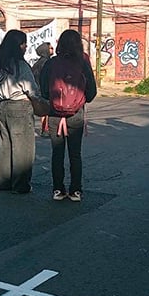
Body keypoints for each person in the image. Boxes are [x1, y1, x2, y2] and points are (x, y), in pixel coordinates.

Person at [39, 30, 96, 202]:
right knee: (75, 154)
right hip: (76, 115)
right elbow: (92, 92)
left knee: (57, 153)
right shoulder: (83, 63)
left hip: (55, 115)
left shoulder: (51, 63)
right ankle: (76, 191)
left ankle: (58, 189)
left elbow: (43, 91)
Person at [0, 29, 41, 194]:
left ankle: (4, 182)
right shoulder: (20, 65)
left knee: (6, 146)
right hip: (20, 106)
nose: (26, 46)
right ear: (17, 46)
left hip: (3, 106)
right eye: (23, 43)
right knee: (23, 148)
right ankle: (21, 185)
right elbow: (32, 89)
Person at [31, 42, 53, 135]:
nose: (53, 49)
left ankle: (45, 128)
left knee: (44, 110)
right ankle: (46, 129)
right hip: (44, 89)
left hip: (39, 89)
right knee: (46, 110)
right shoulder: (46, 62)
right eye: (50, 48)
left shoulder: (37, 63)